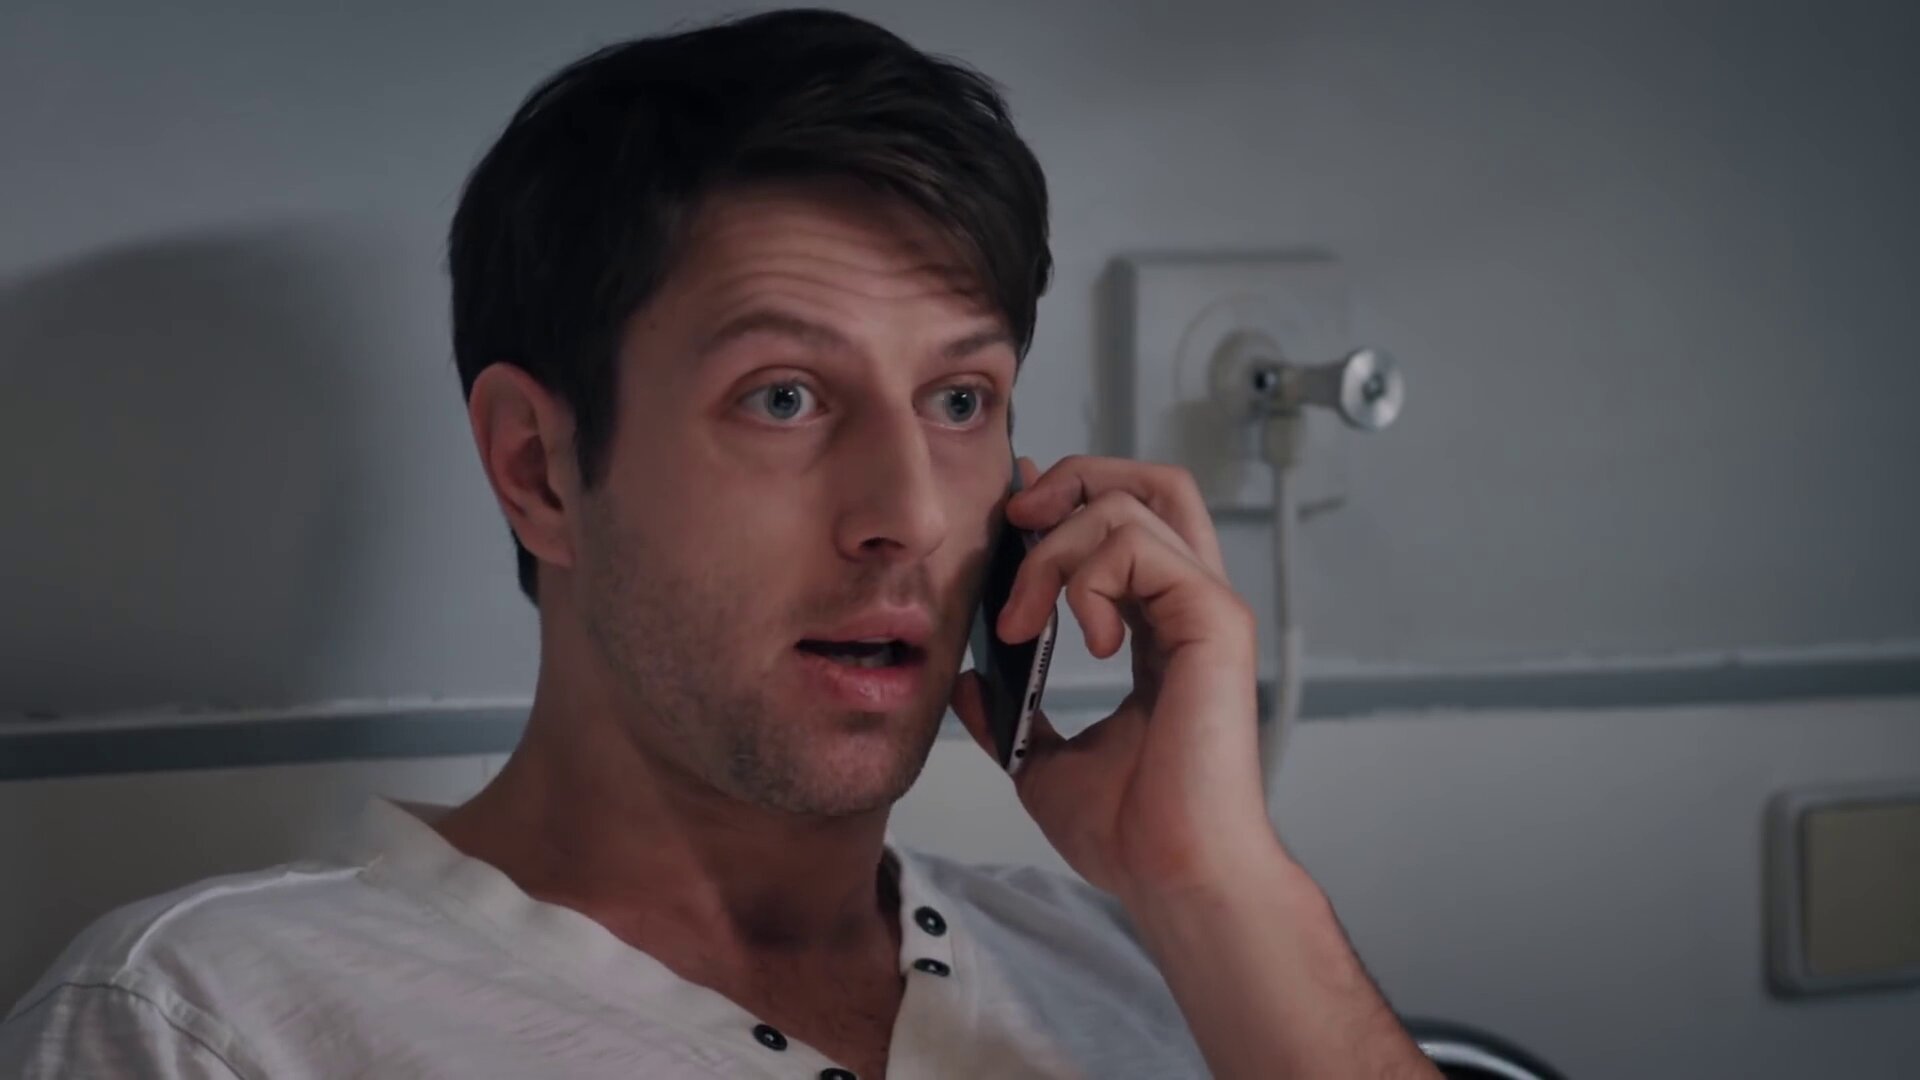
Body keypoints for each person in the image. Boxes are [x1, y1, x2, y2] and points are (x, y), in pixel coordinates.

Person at [0, 10, 1438, 1078]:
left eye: (959, 400)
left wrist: (1217, 886)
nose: (909, 514)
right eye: (785, 397)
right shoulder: (205, 1023)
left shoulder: (1167, 976)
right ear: (539, 469)